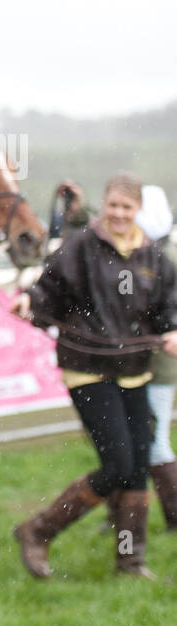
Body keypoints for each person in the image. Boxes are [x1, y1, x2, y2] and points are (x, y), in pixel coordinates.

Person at [10, 173, 177, 580]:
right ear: (104, 205)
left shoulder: (154, 259)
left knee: (138, 464)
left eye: (127, 207)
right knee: (118, 464)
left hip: (135, 372)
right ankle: (37, 530)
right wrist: (28, 300)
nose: (119, 214)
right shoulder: (81, 246)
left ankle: (130, 561)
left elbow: (167, 307)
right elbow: (48, 289)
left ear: (138, 210)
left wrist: (172, 329)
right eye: (113, 206)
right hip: (87, 369)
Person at [136, 184, 177, 530]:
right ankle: (124, 511)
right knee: (133, 441)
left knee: (155, 440)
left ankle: (174, 515)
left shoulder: (165, 259)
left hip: (158, 364)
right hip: (136, 365)